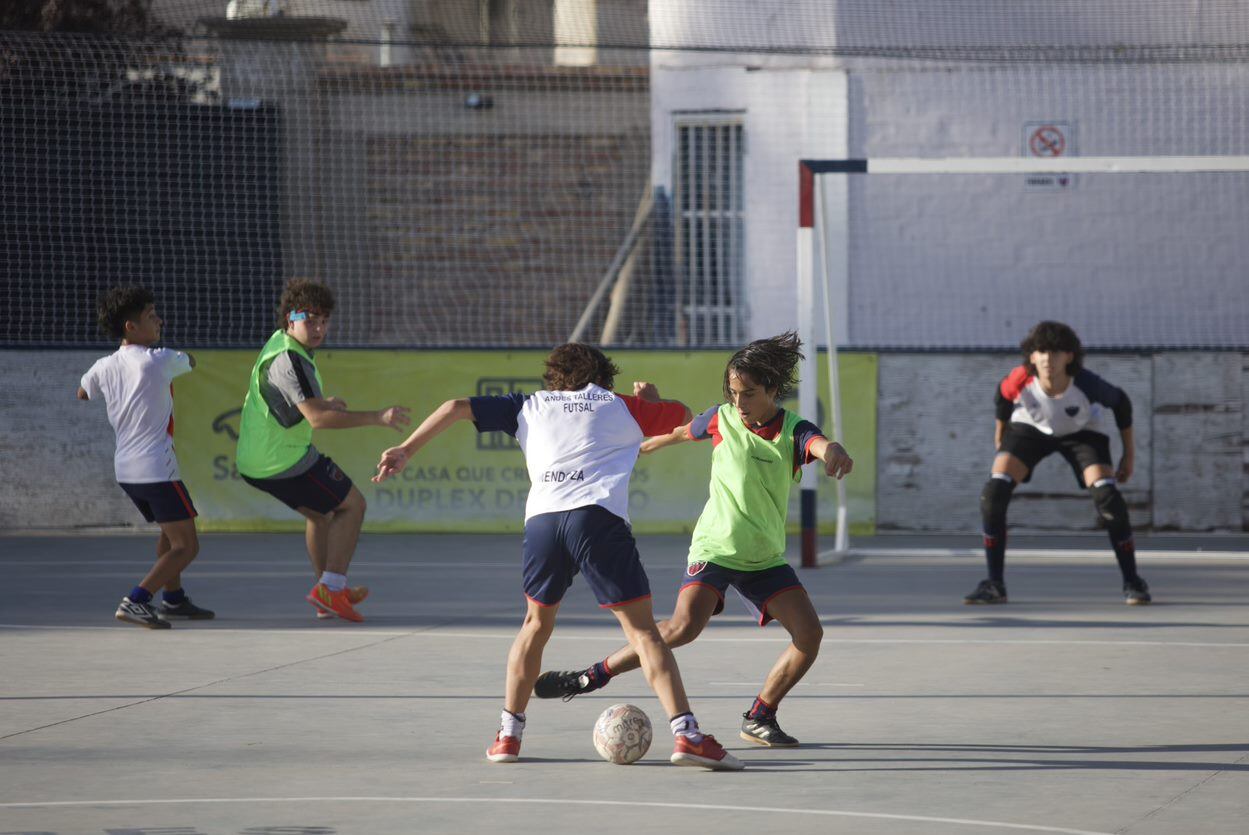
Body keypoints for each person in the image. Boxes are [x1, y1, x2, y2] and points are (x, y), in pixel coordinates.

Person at [373, 343, 744, 770]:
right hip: (597, 521)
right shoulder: (620, 405)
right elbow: (683, 415)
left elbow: (456, 406)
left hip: (543, 524)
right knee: (644, 635)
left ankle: (508, 737)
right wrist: (650, 401)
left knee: (535, 625)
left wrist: (406, 449)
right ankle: (688, 736)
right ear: (605, 378)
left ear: (554, 377)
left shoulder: (529, 405)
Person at [533, 332, 854, 749]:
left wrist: (833, 452)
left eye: (749, 394)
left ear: (773, 390)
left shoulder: (794, 431)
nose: (739, 403)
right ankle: (592, 675)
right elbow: (679, 432)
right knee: (682, 628)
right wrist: (645, 437)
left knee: (809, 636)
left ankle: (760, 715)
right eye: (734, 393)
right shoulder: (722, 418)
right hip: (715, 548)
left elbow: (820, 443)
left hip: (763, 556)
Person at [235, 279, 409, 622]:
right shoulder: (289, 359)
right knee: (352, 505)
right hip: (282, 460)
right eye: (310, 321)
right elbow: (316, 420)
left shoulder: (282, 345)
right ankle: (331, 587)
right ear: (290, 320)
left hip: (258, 460)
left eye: (324, 321)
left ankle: (325, 592)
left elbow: (295, 401)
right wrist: (377, 416)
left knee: (320, 515)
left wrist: (321, 401)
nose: (318, 328)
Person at [964, 320, 1149, 606]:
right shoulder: (1020, 378)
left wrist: (1129, 455)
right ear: (1032, 356)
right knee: (993, 494)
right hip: (1030, 429)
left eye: (1056, 352)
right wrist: (1000, 433)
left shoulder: (1087, 384)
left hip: (1082, 432)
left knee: (1108, 499)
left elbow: (1121, 402)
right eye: (1042, 352)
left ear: (1070, 356)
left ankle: (1133, 582)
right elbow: (1001, 396)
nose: (1048, 359)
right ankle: (994, 584)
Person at [78, 286, 214, 629]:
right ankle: (137, 600)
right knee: (188, 546)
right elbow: (191, 362)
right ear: (131, 327)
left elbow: (83, 392)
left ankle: (173, 599)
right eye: (151, 315)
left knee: (169, 535)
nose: (160, 320)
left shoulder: (103, 365)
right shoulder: (160, 359)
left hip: (126, 469)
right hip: (157, 468)